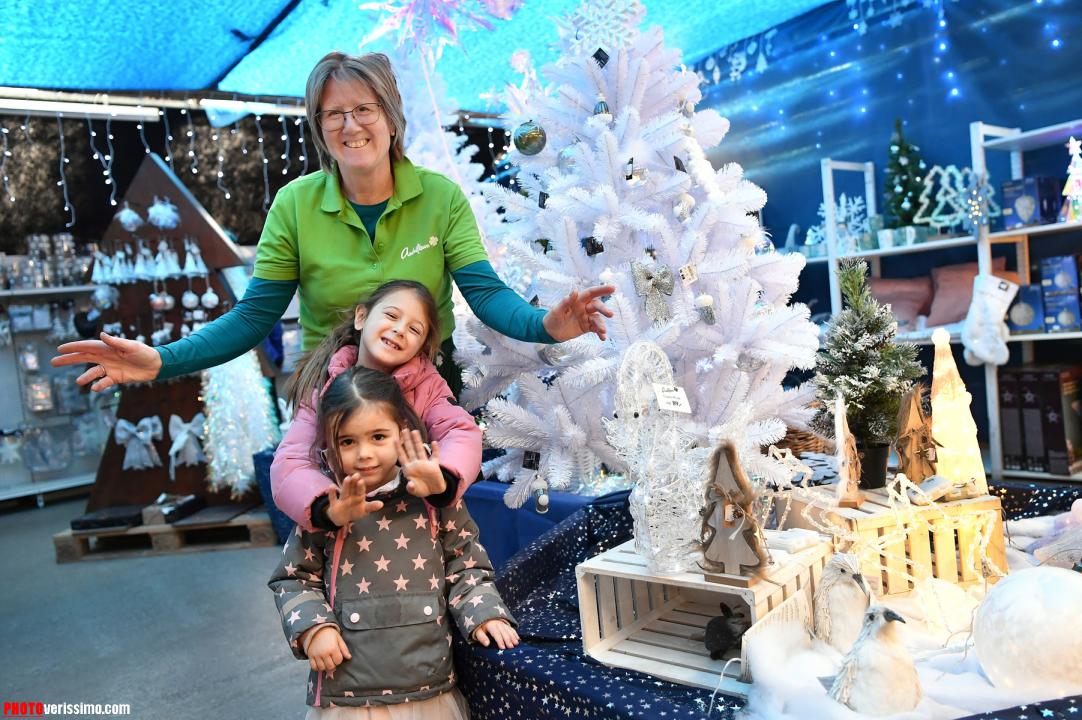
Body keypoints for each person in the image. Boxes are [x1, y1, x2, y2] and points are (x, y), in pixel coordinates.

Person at [50, 50, 614, 394]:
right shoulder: (295, 205)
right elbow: (253, 317)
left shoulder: (439, 197)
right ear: (320, 128)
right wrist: (162, 360)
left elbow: (485, 294)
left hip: (427, 391)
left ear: (390, 119)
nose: (351, 125)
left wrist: (545, 325)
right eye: (334, 113)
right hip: (334, 395)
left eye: (364, 109)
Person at [268, 366, 518, 718]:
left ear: (401, 433)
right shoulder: (325, 507)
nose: (364, 454)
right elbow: (293, 578)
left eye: (378, 437)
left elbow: (466, 563)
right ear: (330, 444)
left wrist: (484, 613)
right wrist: (313, 628)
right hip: (348, 696)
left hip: (428, 688)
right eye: (347, 441)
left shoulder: (435, 497)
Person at [275, 279, 479, 532]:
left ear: (421, 346)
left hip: (413, 526)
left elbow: (460, 431)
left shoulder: (428, 387)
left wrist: (443, 478)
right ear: (361, 316)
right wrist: (327, 507)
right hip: (345, 529)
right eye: (391, 315)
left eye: (414, 329)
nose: (400, 329)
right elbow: (292, 459)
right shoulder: (323, 386)